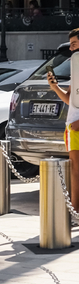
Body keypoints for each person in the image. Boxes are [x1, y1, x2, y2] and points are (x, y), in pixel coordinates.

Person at [48, 27, 79, 214]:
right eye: (71, 45)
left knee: (76, 170)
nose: (72, 48)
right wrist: (55, 87)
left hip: (76, 125)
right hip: (72, 125)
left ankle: (75, 211)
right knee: (75, 169)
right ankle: (75, 210)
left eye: (75, 44)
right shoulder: (76, 68)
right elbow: (70, 99)